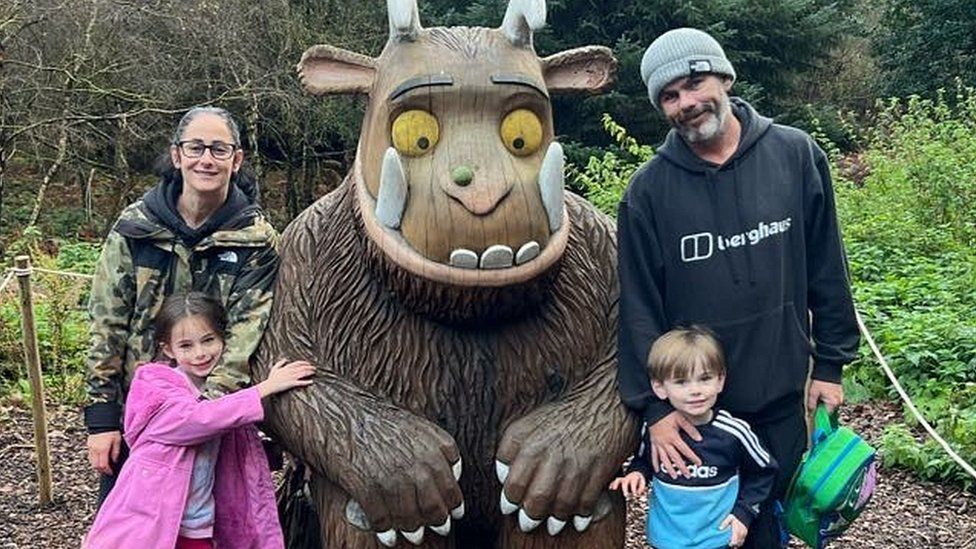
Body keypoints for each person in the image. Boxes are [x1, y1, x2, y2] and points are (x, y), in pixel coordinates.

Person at [616, 28, 860, 548]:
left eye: (694, 82)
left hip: (778, 398)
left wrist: (832, 365)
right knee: (699, 537)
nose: (685, 102)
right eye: (669, 95)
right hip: (694, 412)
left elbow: (828, 269)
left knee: (769, 527)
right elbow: (637, 309)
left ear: (725, 76)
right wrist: (656, 411)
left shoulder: (795, 155)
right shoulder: (648, 192)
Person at [83, 106, 280, 503]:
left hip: (216, 423)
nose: (206, 159)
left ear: (236, 160)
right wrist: (101, 419)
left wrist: (203, 419)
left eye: (219, 149)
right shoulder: (134, 229)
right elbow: (107, 324)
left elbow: (245, 335)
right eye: (195, 147)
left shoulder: (256, 241)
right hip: (137, 420)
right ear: (177, 155)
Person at [84, 291, 315, 549]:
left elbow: (239, 441)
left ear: (224, 340)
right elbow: (196, 419)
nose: (200, 353)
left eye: (208, 341)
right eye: (186, 346)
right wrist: (265, 389)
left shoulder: (227, 393)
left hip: (200, 526)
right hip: (150, 522)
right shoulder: (156, 384)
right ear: (168, 349)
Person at [610, 326, 776, 549]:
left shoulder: (734, 432)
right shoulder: (654, 430)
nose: (695, 390)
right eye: (681, 382)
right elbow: (644, 460)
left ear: (720, 380)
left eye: (705, 378)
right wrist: (637, 474)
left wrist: (743, 514)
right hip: (665, 538)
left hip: (715, 539)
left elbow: (764, 472)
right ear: (659, 387)